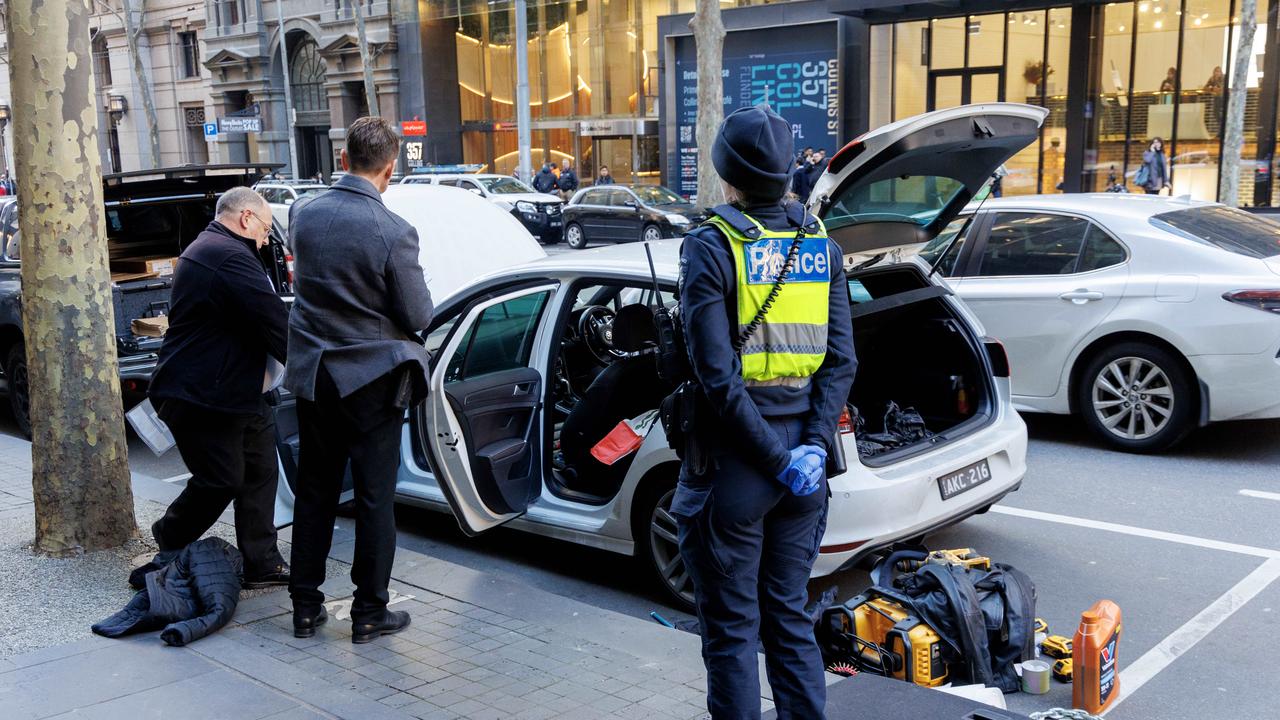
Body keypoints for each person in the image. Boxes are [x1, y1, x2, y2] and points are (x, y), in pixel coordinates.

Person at [674, 104, 857, 719]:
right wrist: (807, 447)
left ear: (728, 174)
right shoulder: (820, 243)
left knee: (730, 635)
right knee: (788, 619)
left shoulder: (711, 245)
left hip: (737, 468)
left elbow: (718, 380)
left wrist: (776, 459)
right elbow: (840, 362)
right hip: (805, 471)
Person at [286, 117, 434, 643]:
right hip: (370, 380)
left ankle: (305, 607)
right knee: (374, 498)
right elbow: (419, 314)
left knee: (315, 490)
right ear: (389, 170)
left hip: (314, 374)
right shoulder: (393, 230)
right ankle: (370, 610)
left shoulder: (303, 213)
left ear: (345, 158)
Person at [147, 186, 291, 589]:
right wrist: (314, 371)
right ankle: (170, 535)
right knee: (222, 478)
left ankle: (262, 563)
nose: (266, 239)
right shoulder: (227, 255)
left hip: (238, 391)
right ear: (246, 218)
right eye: (265, 229)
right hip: (205, 395)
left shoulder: (214, 247)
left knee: (262, 471)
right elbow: (274, 322)